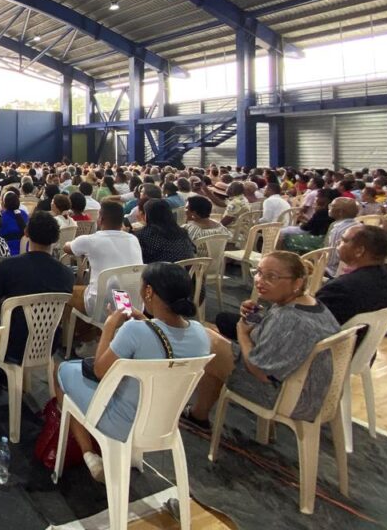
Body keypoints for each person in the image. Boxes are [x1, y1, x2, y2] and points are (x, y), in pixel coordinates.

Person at [56, 262, 209, 482]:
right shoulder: (200, 334)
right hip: (165, 423)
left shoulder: (133, 331)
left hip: (121, 421)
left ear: (148, 291)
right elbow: (164, 344)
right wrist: (144, 320)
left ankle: (89, 454)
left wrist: (109, 326)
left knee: (62, 372)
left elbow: (100, 370)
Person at [186, 251, 340, 429]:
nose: (260, 280)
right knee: (215, 344)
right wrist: (257, 319)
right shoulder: (311, 304)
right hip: (309, 390)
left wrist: (243, 334)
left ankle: (197, 413)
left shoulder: (290, 319)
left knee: (207, 339)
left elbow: (261, 372)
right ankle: (199, 413)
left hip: (289, 398)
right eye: (258, 272)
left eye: (271, 277)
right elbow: (281, 341)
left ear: (297, 283)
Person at [0, 211, 74, 363]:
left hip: (13, 344)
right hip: (49, 343)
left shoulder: (9, 266)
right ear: (56, 237)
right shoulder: (67, 274)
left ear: (26, 232)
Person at [62, 201, 143, 354]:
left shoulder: (91, 240)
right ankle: (99, 335)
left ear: (101, 219)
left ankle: (81, 341)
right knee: (95, 289)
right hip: (131, 304)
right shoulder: (133, 239)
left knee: (67, 293)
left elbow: (68, 248)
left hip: (103, 307)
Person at [315, 225, 387, 327]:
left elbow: (313, 326)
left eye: (344, 241)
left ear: (359, 251)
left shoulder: (338, 289)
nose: (338, 244)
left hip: (344, 341)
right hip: (377, 339)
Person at [134, 198, 196, 263]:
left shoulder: (145, 235)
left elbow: (140, 259)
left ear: (148, 215)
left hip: (162, 272)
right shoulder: (181, 232)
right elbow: (194, 249)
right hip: (189, 271)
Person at [0, 190, 29, 256]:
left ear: (4, 203)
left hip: (6, 252)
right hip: (25, 251)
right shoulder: (24, 214)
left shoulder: (0, 217)